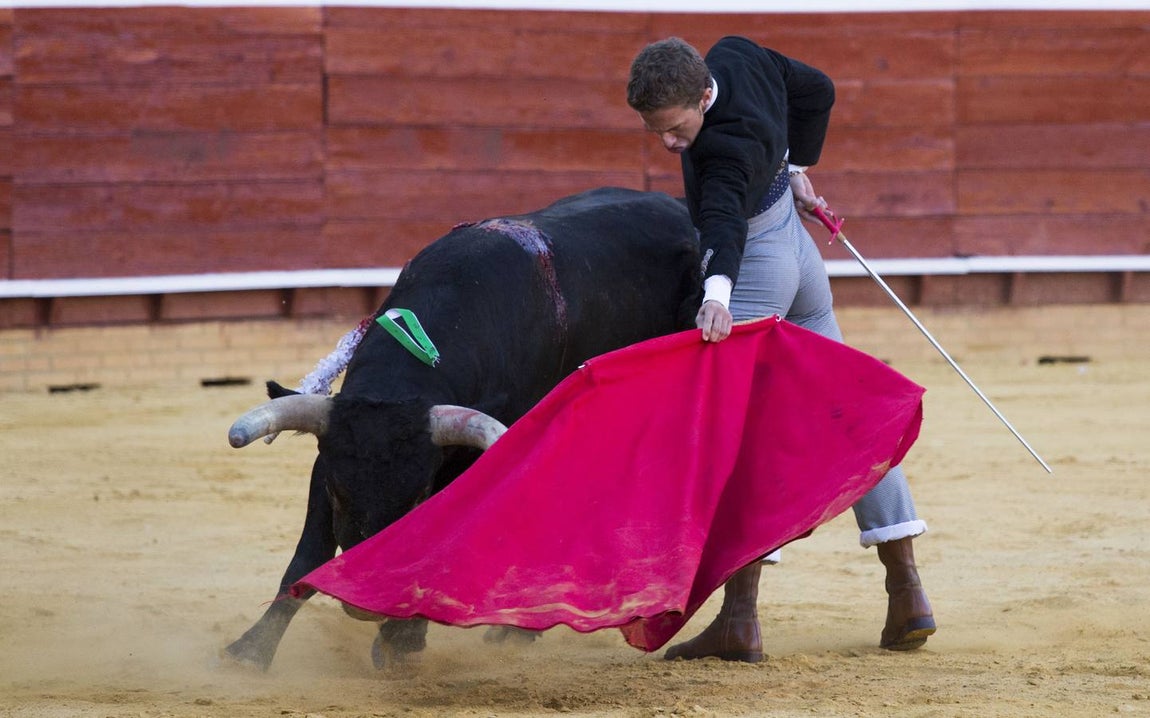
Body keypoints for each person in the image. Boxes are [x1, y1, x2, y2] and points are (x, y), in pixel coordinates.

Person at [626, 36, 936, 662]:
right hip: (800, 253)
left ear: (700, 96)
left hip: (757, 270)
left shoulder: (719, 152)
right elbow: (817, 89)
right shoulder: (737, 55)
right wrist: (794, 166)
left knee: (733, 432)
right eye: (657, 132)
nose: (668, 142)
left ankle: (740, 621)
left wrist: (717, 292)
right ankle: (907, 588)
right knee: (850, 416)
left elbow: (720, 224)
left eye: (676, 128)